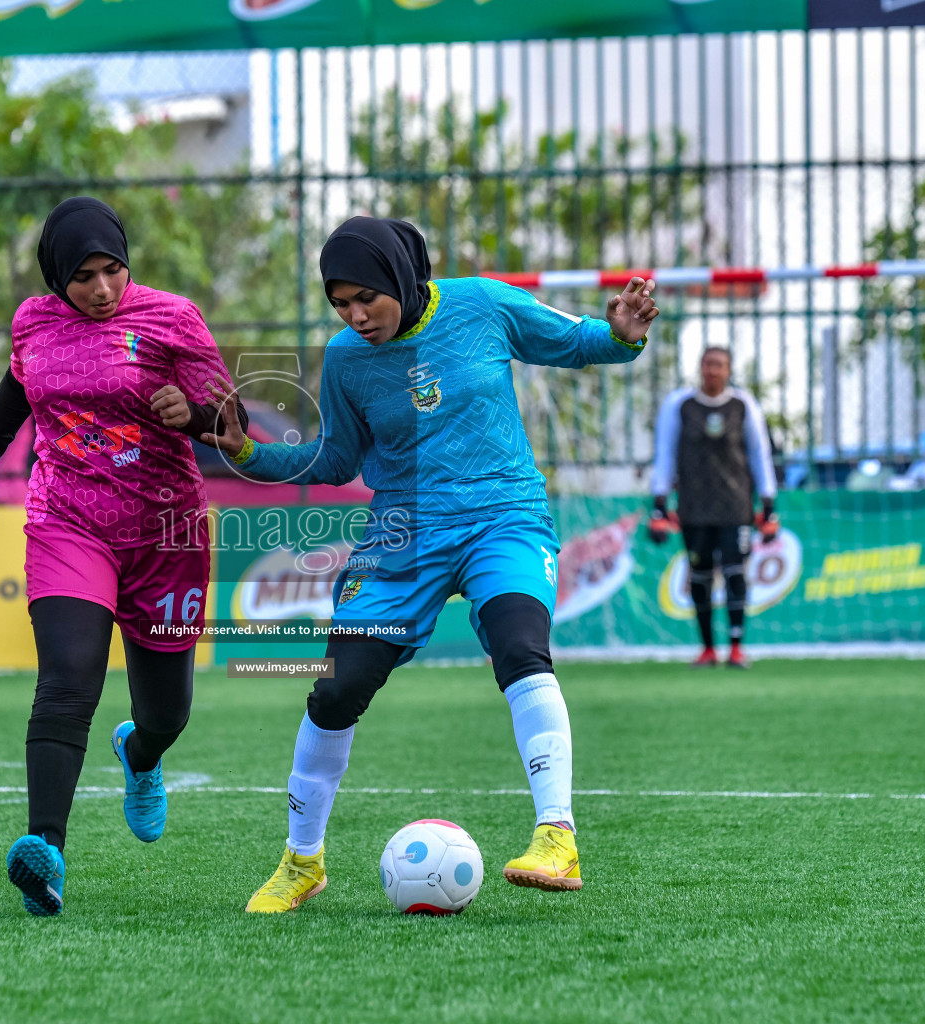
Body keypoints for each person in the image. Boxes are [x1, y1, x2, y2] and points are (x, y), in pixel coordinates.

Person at [198, 216, 656, 913]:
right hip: (402, 534)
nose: (356, 316)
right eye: (340, 303)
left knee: (520, 648)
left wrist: (621, 333)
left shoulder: (481, 303)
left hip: (502, 515)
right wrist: (250, 453)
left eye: (366, 299)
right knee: (335, 691)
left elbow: (575, 341)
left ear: (401, 281)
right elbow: (337, 459)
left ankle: (557, 837)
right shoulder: (348, 358)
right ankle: (301, 862)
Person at [0, 196, 246, 917]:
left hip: (164, 532)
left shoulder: (173, 318)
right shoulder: (33, 320)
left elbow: (235, 426)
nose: (102, 289)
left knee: (166, 714)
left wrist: (199, 417)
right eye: (82, 276)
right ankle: (44, 852)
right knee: (66, 678)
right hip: (68, 519)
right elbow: (14, 395)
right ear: (57, 275)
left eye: (112, 270)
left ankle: (140, 756)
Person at [647, 346, 778, 669]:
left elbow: (760, 454)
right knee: (700, 575)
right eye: (708, 364)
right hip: (693, 507)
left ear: (729, 370)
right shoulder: (680, 405)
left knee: (735, 573)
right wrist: (659, 504)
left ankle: (736, 648)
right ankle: (707, 649)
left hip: (736, 506)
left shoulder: (743, 405)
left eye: (719, 365)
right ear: (700, 367)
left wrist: (769, 502)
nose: (713, 371)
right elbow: (664, 454)